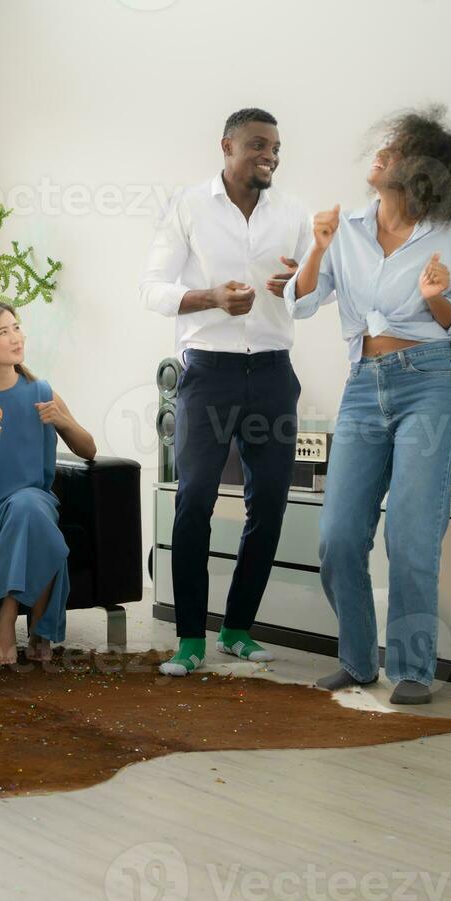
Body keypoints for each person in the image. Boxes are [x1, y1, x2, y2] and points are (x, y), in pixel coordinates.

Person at [283, 105, 451, 705]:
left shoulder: (445, 234)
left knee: (410, 532)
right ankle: (356, 660)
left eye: (395, 149)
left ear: (419, 170)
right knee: (340, 534)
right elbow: (300, 303)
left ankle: (414, 669)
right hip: (363, 386)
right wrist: (318, 250)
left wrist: (435, 298)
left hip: (429, 382)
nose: (381, 154)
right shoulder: (341, 224)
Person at [139, 107, 311, 676]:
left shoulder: (294, 213)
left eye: (277, 148)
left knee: (270, 504)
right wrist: (211, 297)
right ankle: (190, 639)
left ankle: (238, 629)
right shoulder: (188, 206)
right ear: (227, 146)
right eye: (259, 145)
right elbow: (154, 289)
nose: (271, 156)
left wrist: (296, 286)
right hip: (207, 374)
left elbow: (315, 292)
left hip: (272, 373)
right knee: (194, 502)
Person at [0, 300, 96, 665]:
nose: (16, 337)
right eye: (3, 331)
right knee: (41, 530)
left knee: (28, 507)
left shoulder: (41, 393)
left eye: (17, 327)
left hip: (33, 502)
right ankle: (40, 629)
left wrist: (63, 421)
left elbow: (88, 450)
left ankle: (7, 621)